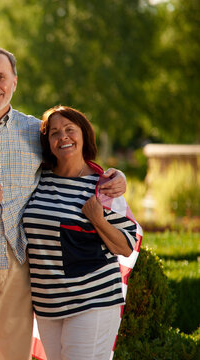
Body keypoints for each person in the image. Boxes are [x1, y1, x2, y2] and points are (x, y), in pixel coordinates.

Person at [0, 46, 126, 360]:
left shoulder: (34, 131)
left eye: (1, 76)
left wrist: (116, 177)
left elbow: (71, 162)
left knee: (15, 355)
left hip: (21, 266)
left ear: (14, 81)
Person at [22, 106, 139, 360]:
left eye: (69, 130)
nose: (62, 136)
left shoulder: (103, 185)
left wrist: (98, 220)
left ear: (83, 135)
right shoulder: (37, 179)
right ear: (48, 142)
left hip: (92, 303)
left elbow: (127, 246)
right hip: (47, 306)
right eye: (54, 133)